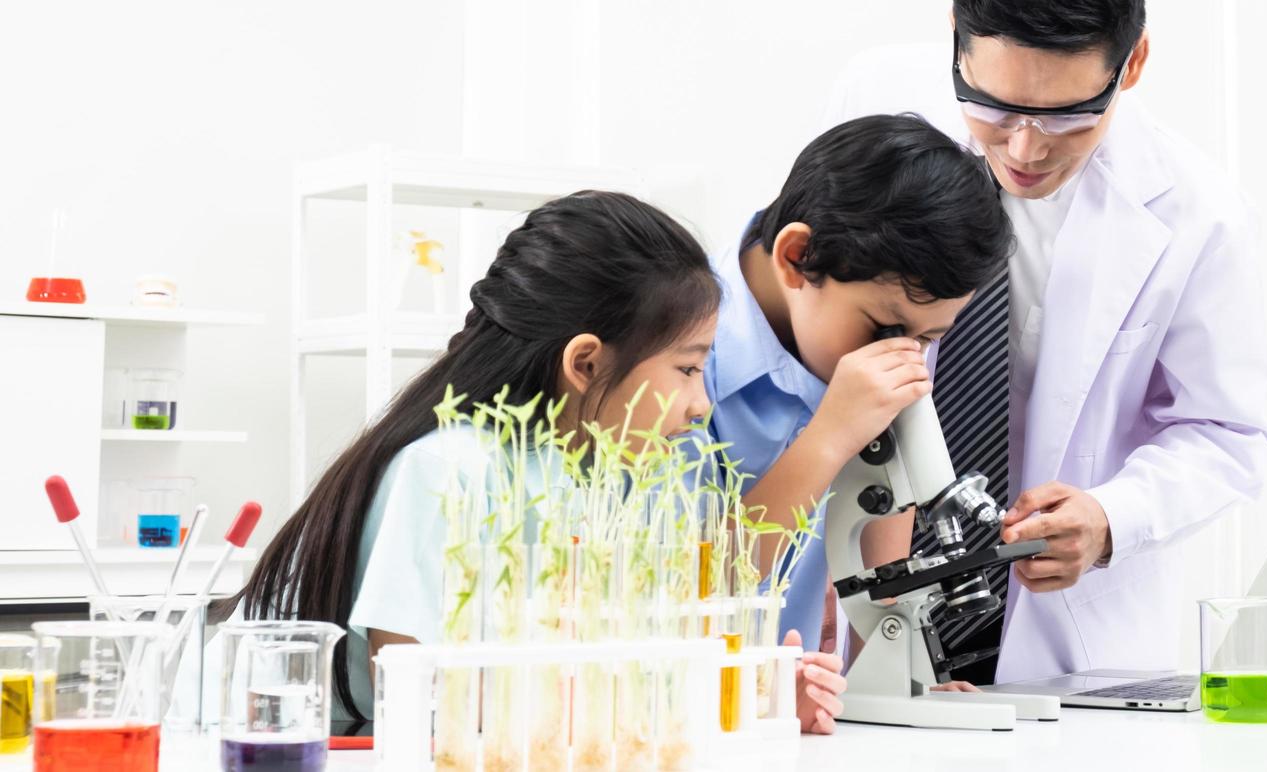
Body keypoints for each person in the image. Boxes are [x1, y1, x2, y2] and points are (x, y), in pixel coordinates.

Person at [825, 0, 1267, 685]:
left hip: (1064, 649)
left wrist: (1111, 519)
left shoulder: (1199, 215)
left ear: (1130, 65)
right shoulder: (871, 105)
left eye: (1067, 115)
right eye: (994, 108)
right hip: (853, 611)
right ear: (957, 43)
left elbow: (1226, 433)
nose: (1025, 147)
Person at [217, 191, 847, 731]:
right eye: (686, 369)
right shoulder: (450, 471)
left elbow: (637, 676)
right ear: (585, 363)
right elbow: (415, 701)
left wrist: (754, 701)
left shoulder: (633, 481)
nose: (700, 404)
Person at [703, 113, 1012, 660]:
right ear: (798, 259)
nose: (904, 357)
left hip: (796, 709)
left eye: (929, 338)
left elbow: (885, 568)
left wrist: (909, 680)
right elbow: (684, 586)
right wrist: (829, 437)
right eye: (886, 329)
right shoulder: (672, 352)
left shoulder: (890, 324)